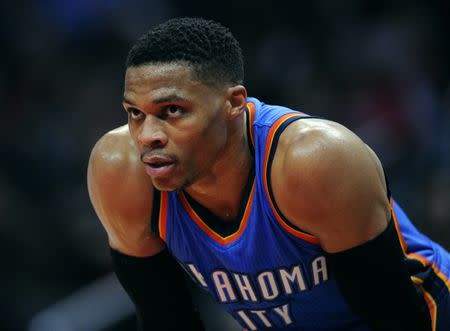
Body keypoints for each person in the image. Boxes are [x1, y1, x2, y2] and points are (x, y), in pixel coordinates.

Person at [87, 17, 449, 331]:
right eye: (135, 113)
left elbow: (393, 315)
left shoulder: (314, 161)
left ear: (234, 103)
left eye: (172, 110)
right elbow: (166, 320)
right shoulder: (121, 170)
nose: (149, 134)